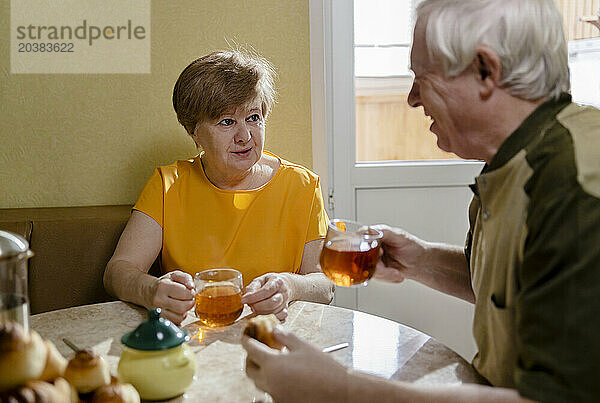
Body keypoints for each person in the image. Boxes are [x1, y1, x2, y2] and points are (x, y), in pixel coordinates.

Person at [242, 0, 600, 401]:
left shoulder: (575, 183)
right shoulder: (515, 160)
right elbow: (523, 283)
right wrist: (424, 259)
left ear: (486, 71)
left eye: (421, 77)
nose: (412, 98)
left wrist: (339, 389)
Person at [104, 50, 334, 325]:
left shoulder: (302, 185)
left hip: (274, 338)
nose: (245, 136)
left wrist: (290, 286)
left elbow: (325, 285)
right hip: (194, 339)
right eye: (227, 122)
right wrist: (151, 290)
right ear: (193, 131)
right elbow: (117, 272)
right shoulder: (168, 184)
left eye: (253, 117)